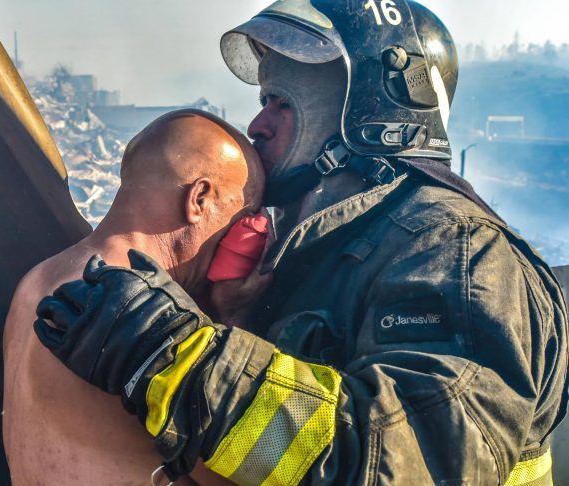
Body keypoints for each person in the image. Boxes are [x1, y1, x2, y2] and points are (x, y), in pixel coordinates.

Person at [34, 1, 569, 485]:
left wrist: (184, 361)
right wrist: (233, 318)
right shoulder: (320, 241)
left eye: (280, 104)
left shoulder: (457, 255)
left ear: (366, 113)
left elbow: (405, 465)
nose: (256, 125)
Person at [2, 109, 264, 485]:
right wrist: (236, 317)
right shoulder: (139, 311)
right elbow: (237, 474)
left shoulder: (36, 281)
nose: (249, 232)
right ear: (200, 198)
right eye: (245, 213)